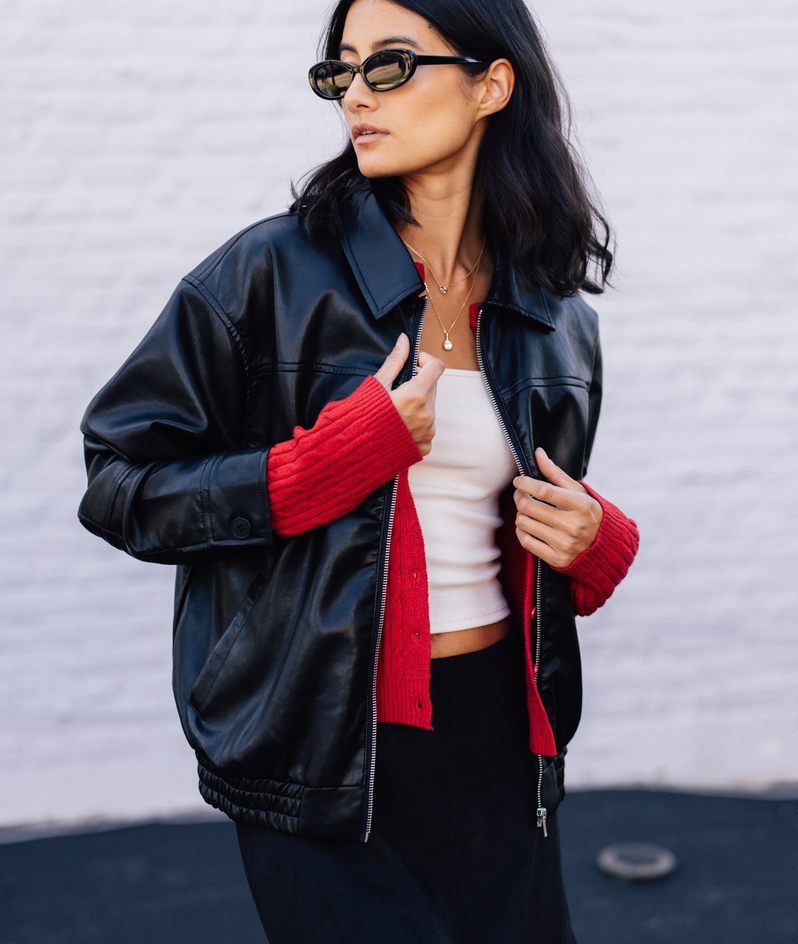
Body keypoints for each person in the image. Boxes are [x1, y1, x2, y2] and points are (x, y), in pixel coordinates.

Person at [78, 0, 640, 940]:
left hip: (501, 744)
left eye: (391, 65)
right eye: (342, 70)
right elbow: (118, 482)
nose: (356, 96)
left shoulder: (555, 314)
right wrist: (321, 467)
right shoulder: (268, 273)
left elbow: (524, 517)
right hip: (317, 741)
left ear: (491, 85)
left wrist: (596, 540)